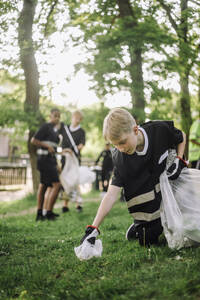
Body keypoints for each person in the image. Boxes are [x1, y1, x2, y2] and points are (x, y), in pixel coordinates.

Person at [79, 108, 188, 247]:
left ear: (135, 130)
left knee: (187, 229)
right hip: (148, 201)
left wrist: (179, 159)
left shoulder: (158, 129)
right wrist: (94, 228)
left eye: (123, 142)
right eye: (115, 144)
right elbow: (111, 194)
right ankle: (140, 226)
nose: (121, 148)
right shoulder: (120, 159)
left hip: (172, 183)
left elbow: (181, 136)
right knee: (148, 242)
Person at [31, 108, 61, 221]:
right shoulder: (46, 126)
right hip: (44, 160)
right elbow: (34, 140)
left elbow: (53, 148)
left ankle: (40, 214)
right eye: (55, 115)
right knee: (57, 185)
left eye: (59, 116)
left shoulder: (55, 130)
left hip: (51, 160)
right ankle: (48, 212)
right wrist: (47, 146)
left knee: (43, 185)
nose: (57, 118)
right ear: (50, 116)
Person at [59, 110, 86, 213]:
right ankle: (65, 205)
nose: (77, 120)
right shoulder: (65, 129)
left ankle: (78, 203)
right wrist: (64, 151)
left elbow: (81, 145)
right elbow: (60, 141)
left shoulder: (81, 131)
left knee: (75, 181)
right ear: (72, 117)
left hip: (75, 159)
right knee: (65, 181)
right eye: (76, 117)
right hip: (65, 159)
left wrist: (73, 150)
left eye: (79, 118)